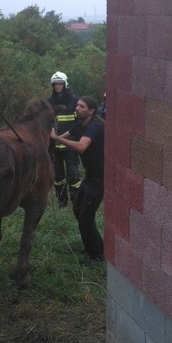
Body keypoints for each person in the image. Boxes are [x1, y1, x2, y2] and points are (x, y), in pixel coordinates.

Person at [50, 95, 105, 262]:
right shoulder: (80, 125)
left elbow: (81, 147)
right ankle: (97, 245)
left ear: (91, 111)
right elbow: (64, 136)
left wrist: (57, 138)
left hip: (99, 179)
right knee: (78, 210)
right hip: (89, 177)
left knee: (85, 218)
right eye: (77, 105)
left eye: (81, 106)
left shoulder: (94, 127)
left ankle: (96, 257)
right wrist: (51, 134)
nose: (77, 108)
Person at [47, 71, 81, 206]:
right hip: (55, 146)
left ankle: (76, 200)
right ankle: (62, 202)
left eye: (60, 84)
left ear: (65, 84)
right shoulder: (49, 102)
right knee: (58, 176)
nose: (57, 86)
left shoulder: (74, 100)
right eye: (55, 84)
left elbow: (79, 121)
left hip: (70, 145)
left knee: (73, 175)